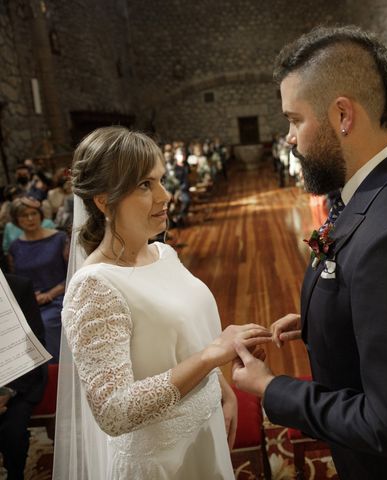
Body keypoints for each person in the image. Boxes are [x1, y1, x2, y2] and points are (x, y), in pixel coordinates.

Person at [231, 26, 387, 479]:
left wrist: (272, 389)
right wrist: (325, 317)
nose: (289, 137)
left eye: (294, 119)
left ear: (342, 114)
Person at [53, 126, 272, 479]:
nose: (165, 195)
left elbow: (187, 341)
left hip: (204, 430)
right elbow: (114, 411)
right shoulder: (94, 286)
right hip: (162, 462)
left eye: (161, 180)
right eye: (145, 185)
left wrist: (221, 387)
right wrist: (211, 357)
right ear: (103, 200)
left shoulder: (163, 253)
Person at [8, 196, 68, 362]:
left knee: (45, 323)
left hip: (60, 297)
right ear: (16, 220)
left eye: (33, 213)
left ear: (40, 214)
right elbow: (17, 281)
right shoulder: (15, 247)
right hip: (29, 302)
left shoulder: (60, 239)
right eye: (24, 215)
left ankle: (55, 374)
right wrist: (30, 297)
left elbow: (72, 274)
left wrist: (50, 294)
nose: (30, 218)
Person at [0, 274, 47, 480]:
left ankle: (15, 474)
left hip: (19, 379)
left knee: (12, 430)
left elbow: (33, 343)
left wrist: (6, 392)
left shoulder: (18, 286)